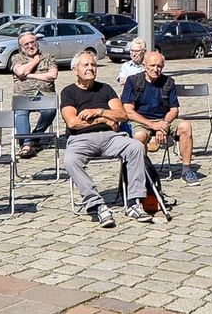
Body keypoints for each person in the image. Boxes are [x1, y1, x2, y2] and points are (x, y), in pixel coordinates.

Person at [60, 50, 150, 226]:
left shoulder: (105, 89)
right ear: (75, 70)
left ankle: (133, 202)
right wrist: (106, 120)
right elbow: (73, 123)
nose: (90, 68)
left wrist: (99, 113)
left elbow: (122, 115)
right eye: (85, 65)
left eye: (93, 65)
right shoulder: (69, 92)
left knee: (136, 147)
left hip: (111, 137)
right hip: (81, 139)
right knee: (71, 160)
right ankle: (97, 204)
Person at [121, 49, 200, 185]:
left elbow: (174, 109)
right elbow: (128, 111)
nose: (156, 69)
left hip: (164, 120)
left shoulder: (168, 82)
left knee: (185, 127)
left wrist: (162, 125)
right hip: (141, 120)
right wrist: (152, 125)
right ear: (145, 65)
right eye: (152, 66)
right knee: (139, 136)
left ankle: (187, 170)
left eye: (159, 66)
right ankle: (142, 172)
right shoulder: (133, 81)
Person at [11, 31, 58, 159]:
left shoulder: (48, 56)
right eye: (26, 44)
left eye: (33, 42)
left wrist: (29, 75)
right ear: (21, 47)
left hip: (45, 94)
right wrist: (35, 61)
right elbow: (20, 71)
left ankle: (35, 136)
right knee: (20, 112)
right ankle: (26, 145)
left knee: (50, 110)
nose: (31, 46)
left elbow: (52, 75)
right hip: (23, 95)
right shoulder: (17, 58)